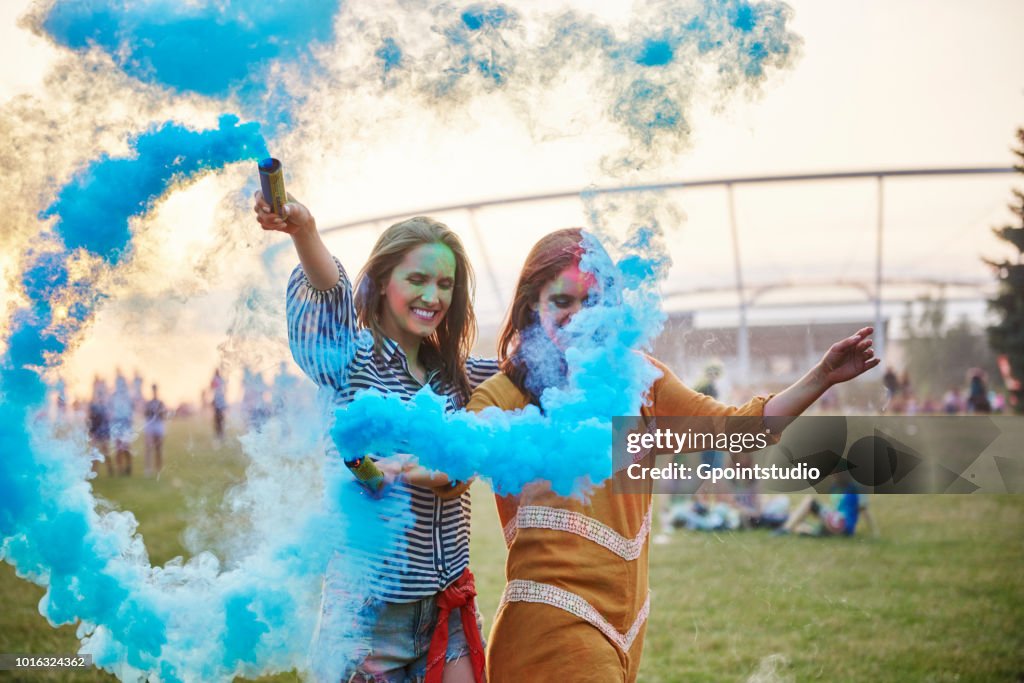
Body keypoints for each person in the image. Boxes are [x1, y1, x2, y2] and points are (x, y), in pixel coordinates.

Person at [465, 229, 879, 682]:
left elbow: (738, 430)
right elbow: (451, 459)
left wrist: (821, 376)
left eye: (594, 302)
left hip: (626, 628)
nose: (579, 317)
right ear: (533, 307)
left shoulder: (641, 380)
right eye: (562, 302)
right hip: (547, 628)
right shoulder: (505, 394)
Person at [255, 191, 497, 683]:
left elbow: (524, 394)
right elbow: (355, 468)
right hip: (366, 619)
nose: (433, 296)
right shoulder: (348, 360)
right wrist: (305, 231)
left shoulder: (460, 378)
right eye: (418, 279)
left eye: (445, 284)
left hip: (446, 607)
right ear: (384, 282)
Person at [110, 371, 135, 476]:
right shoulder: (114, 395)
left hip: (126, 424)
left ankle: (128, 467)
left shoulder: (128, 396)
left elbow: (132, 409)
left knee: (126, 447)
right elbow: (110, 409)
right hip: (117, 423)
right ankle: (119, 469)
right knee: (118, 448)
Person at [87, 376, 112, 476]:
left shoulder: (105, 404)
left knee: (105, 450)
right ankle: (94, 470)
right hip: (95, 429)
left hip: (103, 429)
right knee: (94, 451)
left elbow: (107, 417)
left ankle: (110, 469)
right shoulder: (93, 404)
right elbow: (90, 417)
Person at [143, 383, 167, 476]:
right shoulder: (149, 403)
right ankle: (148, 468)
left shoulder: (160, 403)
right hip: (150, 424)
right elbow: (145, 413)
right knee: (148, 447)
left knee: (159, 448)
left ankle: (159, 468)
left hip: (158, 425)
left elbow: (163, 415)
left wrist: (159, 412)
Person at [210, 369, 227, 441]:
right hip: (219, 401)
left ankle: (219, 434)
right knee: (219, 419)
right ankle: (220, 434)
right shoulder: (220, 379)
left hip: (218, 401)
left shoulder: (216, 379)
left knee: (219, 419)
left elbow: (211, 387)